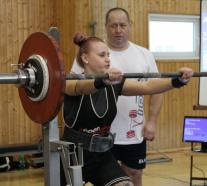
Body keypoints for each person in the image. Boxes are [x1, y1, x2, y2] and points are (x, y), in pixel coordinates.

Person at [62, 33, 193, 186]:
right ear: (85, 58)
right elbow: (81, 88)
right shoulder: (70, 81)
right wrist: (101, 81)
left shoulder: (114, 83)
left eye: (108, 55)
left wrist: (177, 80)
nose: (108, 59)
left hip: (101, 156)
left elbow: (148, 86)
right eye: (102, 55)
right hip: (74, 156)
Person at [71, 7, 163, 186]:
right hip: (99, 131)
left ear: (130, 26)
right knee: (102, 178)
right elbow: (73, 86)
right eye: (113, 25)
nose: (118, 30)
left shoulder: (144, 55)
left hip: (132, 130)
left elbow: (155, 89)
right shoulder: (91, 54)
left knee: (134, 173)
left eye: (122, 25)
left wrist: (151, 121)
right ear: (105, 27)